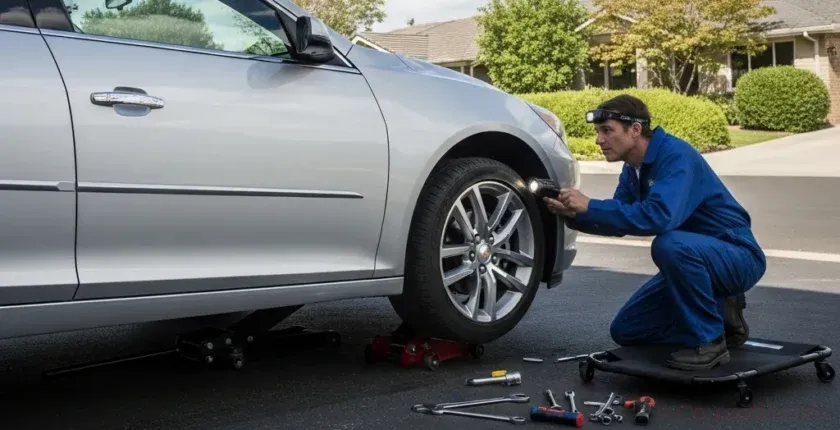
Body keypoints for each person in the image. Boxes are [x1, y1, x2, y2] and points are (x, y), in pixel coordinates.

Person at [543, 94, 767, 371]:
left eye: (607, 131)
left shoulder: (676, 156)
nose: (598, 140)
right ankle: (722, 315)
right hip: (694, 259)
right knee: (627, 331)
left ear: (635, 130)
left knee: (668, 244)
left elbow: (659, 217)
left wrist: (589, 204)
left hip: (737, 256)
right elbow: (620, 219)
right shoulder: (633, 168)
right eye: (598, 132)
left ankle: (710, 342)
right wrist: (574, 216)